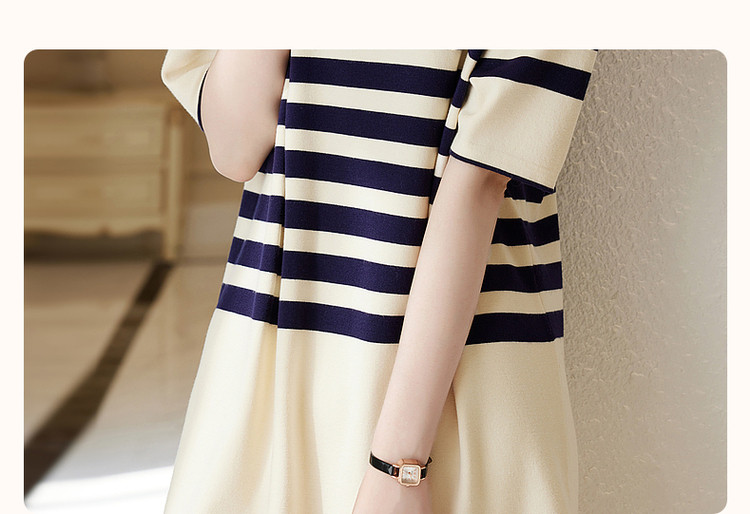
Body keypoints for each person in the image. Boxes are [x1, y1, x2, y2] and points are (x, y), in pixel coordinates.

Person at [160, 49, 598, 513]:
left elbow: (480, 182)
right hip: (272, 349)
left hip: (446, 379)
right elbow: (235, 150)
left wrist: (400, 468)